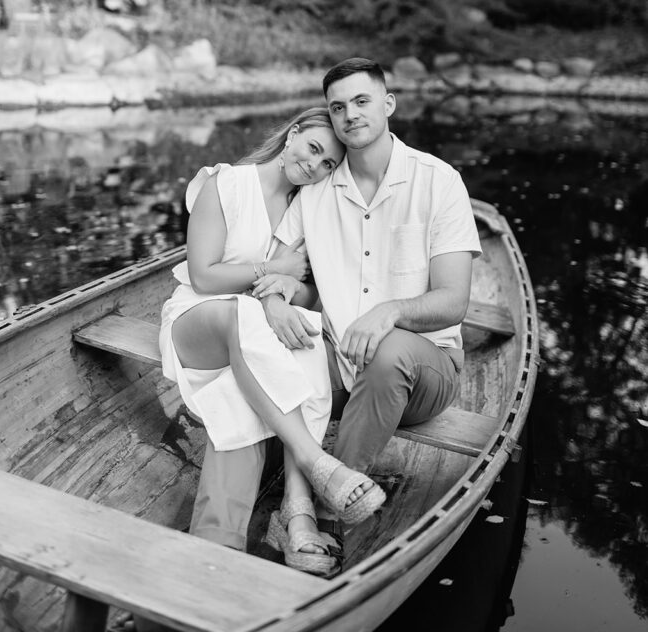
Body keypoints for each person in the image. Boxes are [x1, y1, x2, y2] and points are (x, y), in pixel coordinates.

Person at [197, 57, 482, 564]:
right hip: (339, 359)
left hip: (424, 367)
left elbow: (454, 301)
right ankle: (293, 512)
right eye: (338, 106)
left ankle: (328, 513)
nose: (350, 114)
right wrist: (275, 299)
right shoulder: (316, 190)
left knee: (387, 350)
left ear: (388, 104)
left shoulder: (438, 181)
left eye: (362, 101)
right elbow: (281, 270)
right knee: (281, 345)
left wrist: (390, 311)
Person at [158, 105, 386, 579]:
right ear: (293, 134)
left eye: (327, 164)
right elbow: (202, 275)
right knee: (243, 314)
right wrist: (271, 275)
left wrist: (281, 297)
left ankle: (215, 552)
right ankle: (311, 456)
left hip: (256, 339)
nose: (315, 166)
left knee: (250, 392)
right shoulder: (225, 184)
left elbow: (308, 289)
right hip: (199, 324)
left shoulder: (310, 208)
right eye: (314, 149)